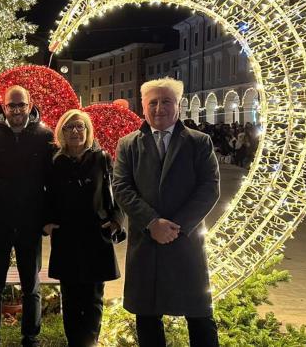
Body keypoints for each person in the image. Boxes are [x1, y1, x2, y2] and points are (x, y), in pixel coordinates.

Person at [113, 77, 220, 347]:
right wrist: (152, 222)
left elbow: (209, 188)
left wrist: (177, 226)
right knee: (148, 317)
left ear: (178, 106)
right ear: (143, 107)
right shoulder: (128, 144)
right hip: (146, 242)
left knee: (199, 315)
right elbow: (122, 187)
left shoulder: (199, 142)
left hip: (184, 241)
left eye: (166, 101)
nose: (159, 108)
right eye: (153, 102)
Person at [0, 86, 54, 347]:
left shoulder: (44, 135)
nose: (17, 110)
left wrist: (48, 217)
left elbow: (53, 181)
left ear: (30, 105)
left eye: (22, 105)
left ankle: (30, 336)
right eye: (12, 105)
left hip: (30, 224)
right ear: (4, 106)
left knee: (31, 284)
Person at [43, 109, 124, 347]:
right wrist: (46, 223)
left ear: (88, 131)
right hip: (66, 236)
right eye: (70, 127)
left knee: (93, 299)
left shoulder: (101, 158)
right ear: (62, 132)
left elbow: (115, 193)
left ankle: (89, 343)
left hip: (95, 237)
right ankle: (74, 343)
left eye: (80, 127)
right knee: (70, 299)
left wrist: (117, 221)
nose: (75, 131)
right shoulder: (54, 162)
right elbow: (44, 196)